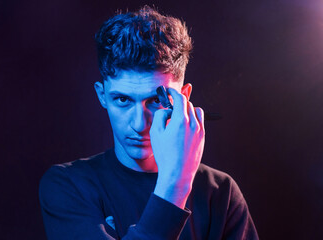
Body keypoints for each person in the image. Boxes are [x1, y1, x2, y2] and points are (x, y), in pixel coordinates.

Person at [39, 6, 259, 240]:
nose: (138, 124)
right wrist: (175, 185)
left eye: (155, 100)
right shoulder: (68, 186)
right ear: (102, 96)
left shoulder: (220, 193)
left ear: (183, 98)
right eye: (122, 99)